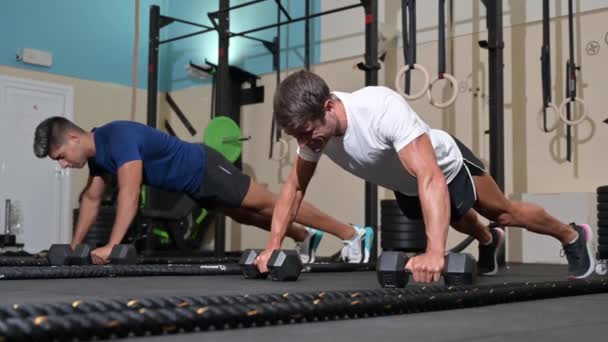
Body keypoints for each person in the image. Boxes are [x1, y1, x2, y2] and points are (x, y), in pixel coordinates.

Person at [255, 70, 595, 283]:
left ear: (329, 106)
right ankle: (490, 241)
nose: (305, 144)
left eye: (307, 133)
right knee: (461, 220)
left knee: (502, 212)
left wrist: (436, 252)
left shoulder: (378, 108)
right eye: (297, 137)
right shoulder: (315, 133)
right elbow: (294, 188)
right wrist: (272, 248)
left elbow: (430, 176)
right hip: (408, 184)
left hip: (444, 165)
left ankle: (571, 235)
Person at [33, 117, 374, 265]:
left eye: (61, 156)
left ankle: (353, 233)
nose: (63, 164)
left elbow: (129, 190)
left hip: (204, 167)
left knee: (272, 201)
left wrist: (111, 244)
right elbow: (91, 199)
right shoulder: (98, 158)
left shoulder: (116, 137)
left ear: (74, 139)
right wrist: (76, 247)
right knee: (246, 215)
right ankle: (303, 235)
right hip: (193, 186)